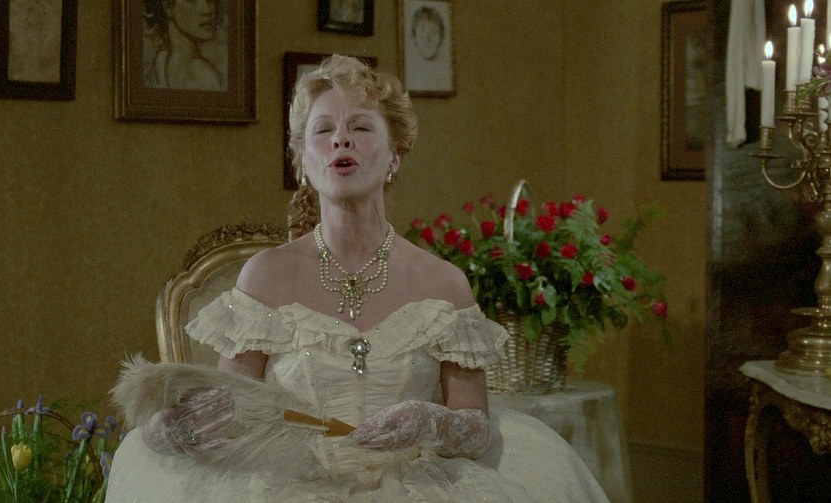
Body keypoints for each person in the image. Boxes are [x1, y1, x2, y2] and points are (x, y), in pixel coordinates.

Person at [105, 55, 609, 502]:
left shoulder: (444, 283)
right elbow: (235, 409)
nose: (341, 139)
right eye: (323, 130)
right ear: (303, 163)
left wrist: (432, 422)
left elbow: (475, 430)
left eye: (361, 127)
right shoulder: (265, 276)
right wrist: (173, 429)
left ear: (394, 155)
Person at [143, 0, 226, 91]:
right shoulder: (201, 73)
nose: (207, 10)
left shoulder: (160, 63)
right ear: (168, 7)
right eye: (193, 1)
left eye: (210, 0)